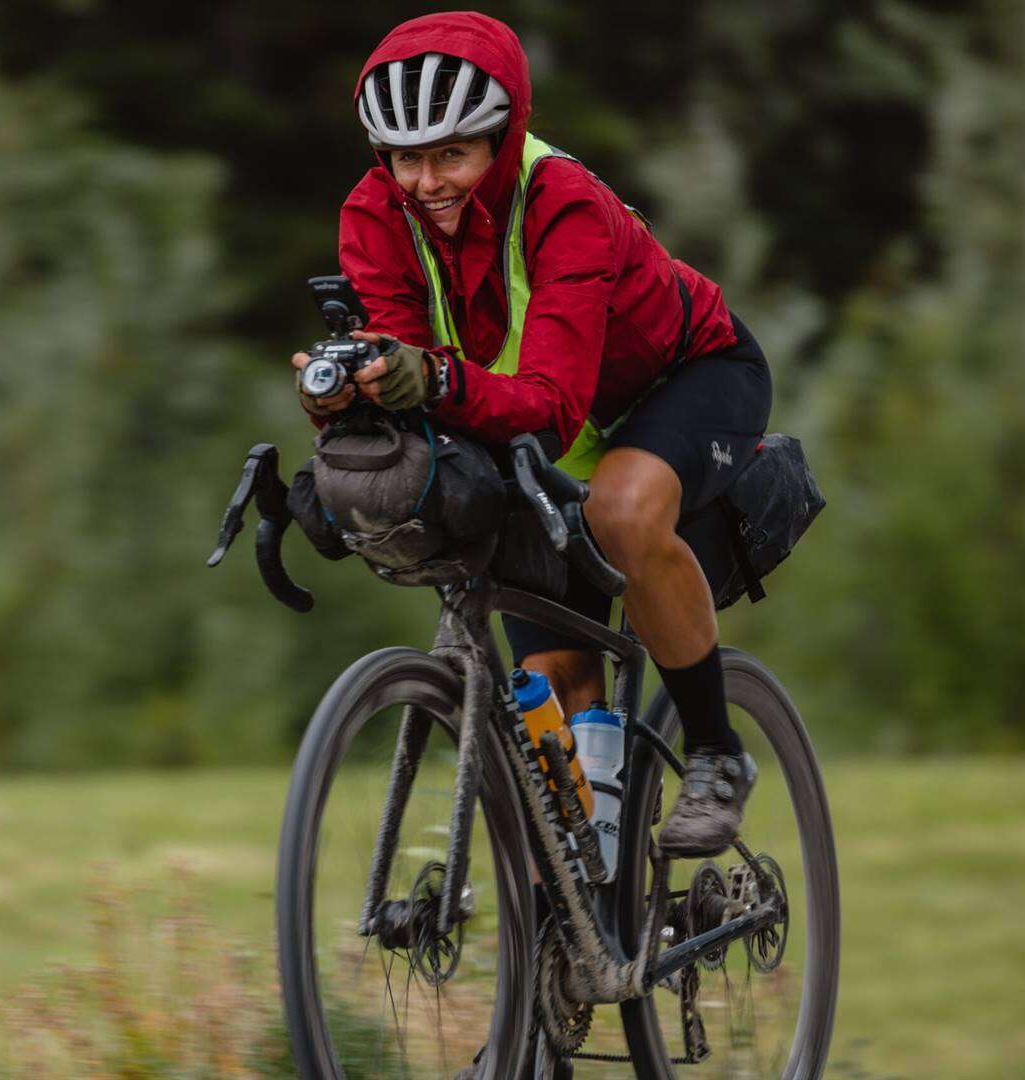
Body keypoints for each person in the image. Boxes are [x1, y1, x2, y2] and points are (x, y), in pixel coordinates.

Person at [291, 12, 771, 858]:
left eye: (451, 155)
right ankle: (585, 903)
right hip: (526, 422)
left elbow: (546, 403)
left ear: (501, 141)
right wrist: (353, 396)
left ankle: (716, 754)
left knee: (620, 512)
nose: (426, 182)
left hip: (677, 382)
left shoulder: (564, 204)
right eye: (406, 158)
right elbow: (411, 357)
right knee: (553, 692)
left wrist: (432, 379)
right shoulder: (373, 214)